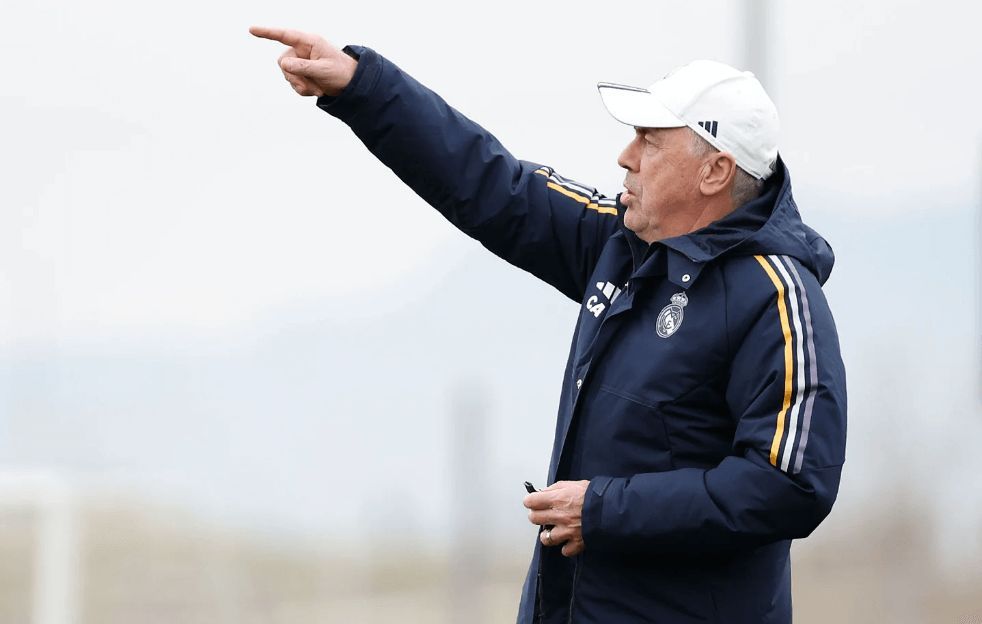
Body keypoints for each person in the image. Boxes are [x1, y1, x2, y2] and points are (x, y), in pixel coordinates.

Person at [249, 26, 847, 624]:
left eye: (649, 140)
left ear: (715, 172)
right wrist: (363, 87)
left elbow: (789, 486)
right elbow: (493, 185)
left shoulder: (777, 297)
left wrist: (604, 510)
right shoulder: (623, 242)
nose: (625, 156)